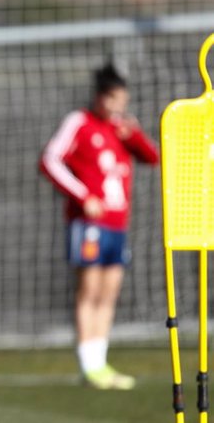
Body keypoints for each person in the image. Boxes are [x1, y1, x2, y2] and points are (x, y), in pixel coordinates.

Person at [39, 63, 159, 390]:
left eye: (123, 100)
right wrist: (83, 194)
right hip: (87, 224)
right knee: (89, 291)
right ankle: (88, 366)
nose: (119, 106)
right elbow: (49, 160)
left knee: (109, 293)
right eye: (114, 99)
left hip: (117, 225)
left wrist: (133, 133)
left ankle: (101, 364)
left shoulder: (121, 129)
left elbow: (152, 157)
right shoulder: (80, 122)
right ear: (100, 97)